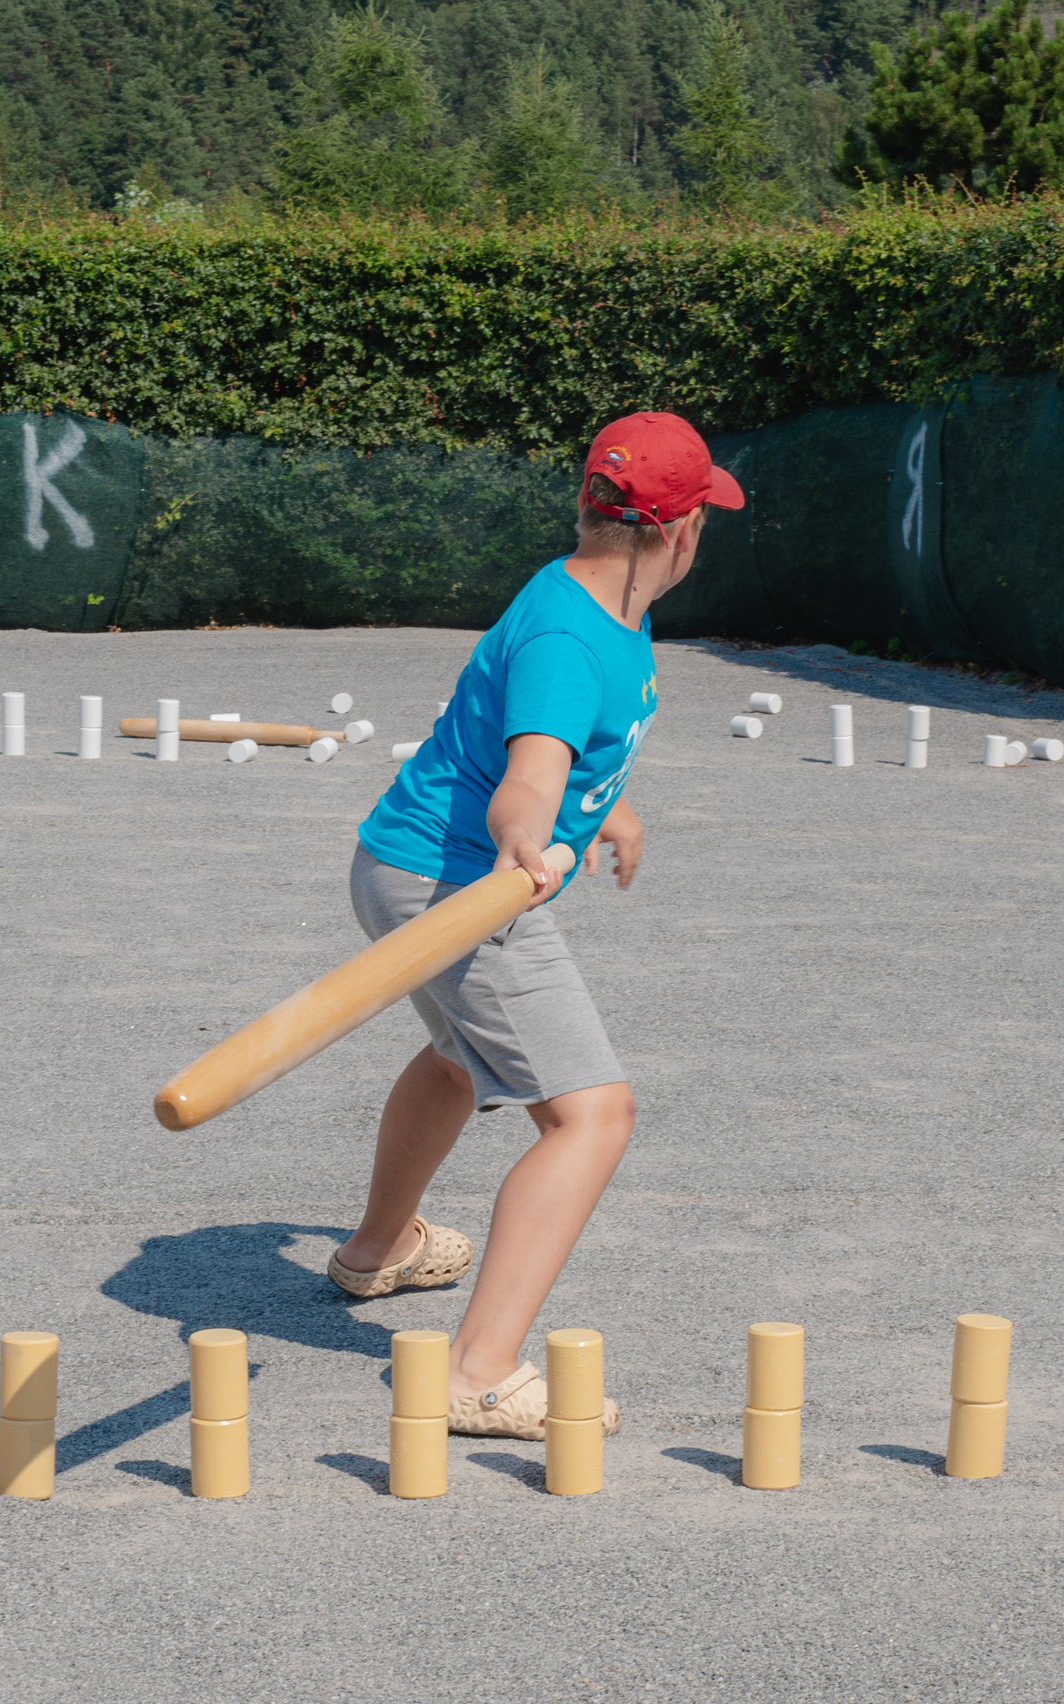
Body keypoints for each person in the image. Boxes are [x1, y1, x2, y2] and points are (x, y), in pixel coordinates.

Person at [326, 411, 743, 1438]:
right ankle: (476, 1371)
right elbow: (526, 780)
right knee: (592, 1115)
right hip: (456, 886)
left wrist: (603, 805)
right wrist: (530, 838)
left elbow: (561, 751)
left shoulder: (594, 593)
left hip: (404, 860)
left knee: (460, 1059)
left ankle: (378, 1250)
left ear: (589, 507)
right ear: (682, 530)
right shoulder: (571, 636)